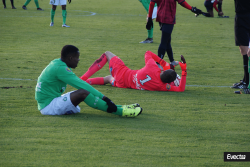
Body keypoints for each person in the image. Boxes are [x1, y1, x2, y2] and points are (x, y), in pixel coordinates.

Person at [35, 45, 142, 117]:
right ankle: (120, 111)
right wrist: (105, 98)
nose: (79, 60)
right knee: (83, 93)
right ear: (71, 58)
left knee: (83, 93)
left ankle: (120, 107)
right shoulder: (60, 68)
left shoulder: (58, 63)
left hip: (51, 101)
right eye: (77, 58)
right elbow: (82, 84)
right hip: (48, 106)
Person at [80, 50, 187, 92]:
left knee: (107, 54)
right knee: (108, 78)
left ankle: (82, 79)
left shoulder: (152, 67)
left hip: (122, 73)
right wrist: (184, 71)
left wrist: (163, 63)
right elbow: (181, 89)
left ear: (163, 71)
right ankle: (86, 82)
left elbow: (147, 53)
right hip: (122, 84)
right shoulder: (162, 87)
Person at [146, 0, 204, 66]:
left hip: (160, 16)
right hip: (169, 18)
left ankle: (172, 61)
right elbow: (182, 2)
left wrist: (150, 18)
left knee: (167, 40)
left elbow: (152, 3)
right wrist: (192, 8)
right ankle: (158, 64)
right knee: (164, 41)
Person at [233, 0, 250, 94]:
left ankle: (246, 82)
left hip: (242, 17)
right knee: (245, 49)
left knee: (244, 50)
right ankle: (245, 80)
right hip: (245, 16)